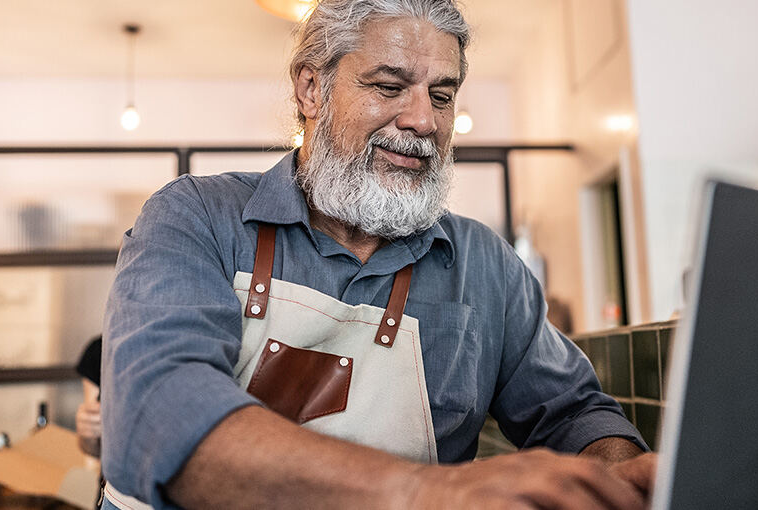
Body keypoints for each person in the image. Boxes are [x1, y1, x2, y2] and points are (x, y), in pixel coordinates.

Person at [101, 1, 657, 508]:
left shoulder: (484, 265)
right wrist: (423, 491)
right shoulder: (197, 217)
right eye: (389, 87)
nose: (423, 121)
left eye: (441, 95)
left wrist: (619, 471)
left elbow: (574, 413)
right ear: (311, 89)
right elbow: (160, 412)